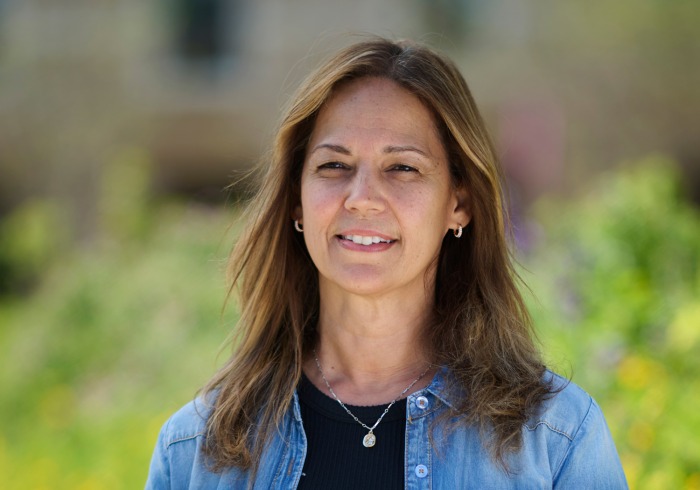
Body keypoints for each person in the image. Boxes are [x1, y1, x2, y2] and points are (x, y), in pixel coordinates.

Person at [146, 37, 628, 489]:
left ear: (458, 203)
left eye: (402, 168)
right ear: (297, 199)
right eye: (334, 166)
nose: (362, 199)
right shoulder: (196, 451)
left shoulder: (556, 438)